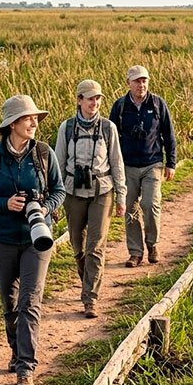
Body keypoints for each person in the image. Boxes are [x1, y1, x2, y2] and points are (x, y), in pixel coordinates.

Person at [0, 95, 65, 385]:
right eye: (28, 118)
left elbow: (60, 190)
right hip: (3, 237)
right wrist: (5, 204)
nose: (34, 123)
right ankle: (15, 350)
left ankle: (26, 367)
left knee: (30, 301)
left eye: (36, 118)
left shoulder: (44, 153)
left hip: (38, 239)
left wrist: (45, 207)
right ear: (12, 124)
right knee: (9, 301)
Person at [55, 80, 126, 318]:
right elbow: (58, 164)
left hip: (102, 191)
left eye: (98, 98)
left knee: (96, 247)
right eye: (90, 98)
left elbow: (117, 163)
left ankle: (90, 298)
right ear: (79, 100)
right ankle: (87, 281)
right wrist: (53, 199)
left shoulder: (108, 128)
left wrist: (121, 197)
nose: (94, 102)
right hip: (73, 192)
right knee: (78, 247)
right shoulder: (66, 128)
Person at [109, 65, 176, 267]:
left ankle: (152, 245)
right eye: (137, 81)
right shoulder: (120, 106)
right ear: (128, 83)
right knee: (130, 207)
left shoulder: (157, 104)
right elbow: (111, 137)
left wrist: (171, 162)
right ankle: (135, 253)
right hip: (127, 164)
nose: (141, 85)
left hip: (152, 163)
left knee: (150, 204)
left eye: (144, 80)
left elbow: (169, 134)